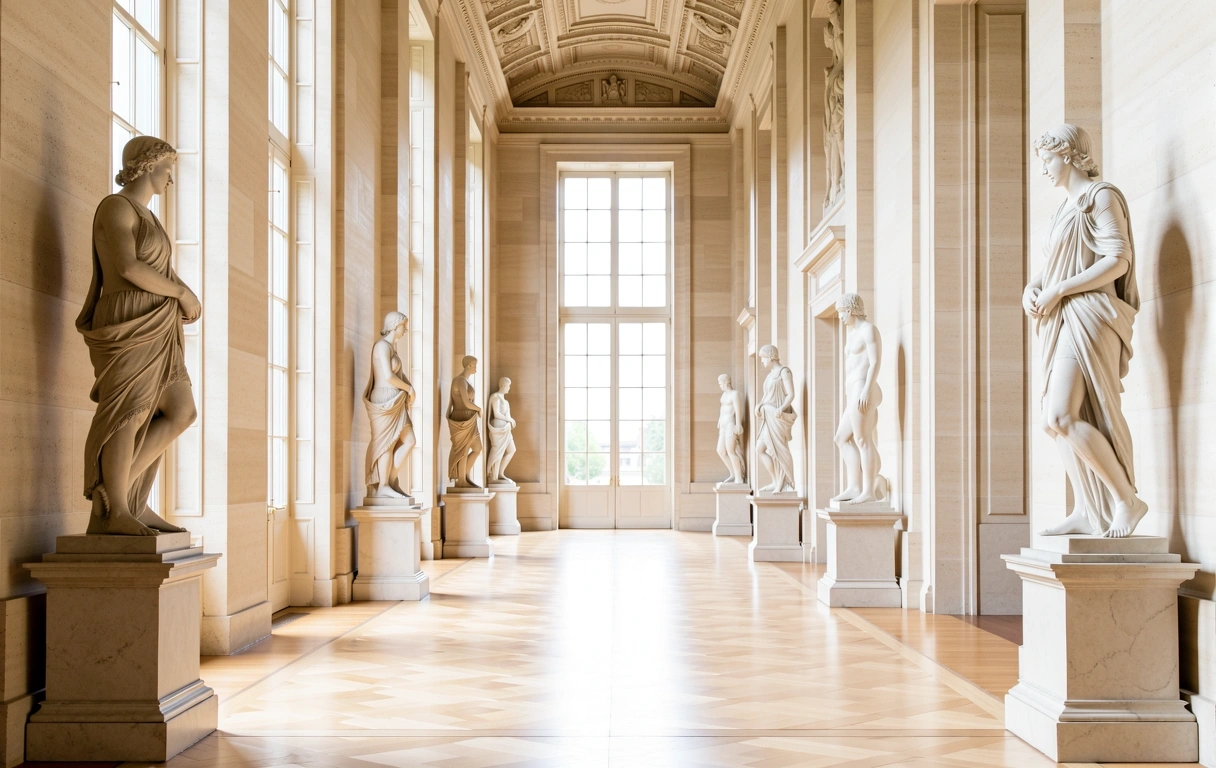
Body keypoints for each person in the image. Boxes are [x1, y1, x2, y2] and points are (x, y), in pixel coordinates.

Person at [1024, 124, 1147, 538]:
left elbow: (1117, 260)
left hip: (1091, 316)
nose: (1043, 169)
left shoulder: (1101, 197)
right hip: (1064, 317)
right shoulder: (1065, 208)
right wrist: (1035, 286)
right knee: (1050, 420)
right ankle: (1088, 508)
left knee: (1061, 413)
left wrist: (1059, 289)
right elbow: (1060, 261)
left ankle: (1128, 501)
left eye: (1046, 159)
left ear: (1069, 155)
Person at [78, 136, 199, 536]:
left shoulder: (150, 218)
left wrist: (182, 292)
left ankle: (122, 496)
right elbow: (128, 267)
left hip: (157, 323)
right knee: (131, 411)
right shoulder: (116, 207)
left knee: (181, 411)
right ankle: (117, 511)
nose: (170, 178)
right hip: (128, 317)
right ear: (148, 167)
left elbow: (159, 270)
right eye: (167, 170)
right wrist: (180, 292)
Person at [830, 293, 889, 504]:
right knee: (841, 438)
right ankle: (855, 487)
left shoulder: (869, 330)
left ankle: (868, 492)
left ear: (850, 310)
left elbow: (875, 362)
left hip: (862, 388)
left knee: (863, 439)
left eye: (841, 312)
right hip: (852, 390)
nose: (840, 317)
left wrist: (867, 389)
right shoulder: (853, 333)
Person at [364, 311, 417, 499]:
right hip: (384, 399)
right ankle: (383, 485)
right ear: (395, 325)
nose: (406, 329)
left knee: (410, 441)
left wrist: (408, 388)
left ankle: (391, 481)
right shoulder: (382, 346)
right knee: (387, 444)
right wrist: (409, 390)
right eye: (404, 325)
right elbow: (387, 375)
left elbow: (399, 375)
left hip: (396, 398)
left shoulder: (392, 348)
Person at [754, 345, 796, 493]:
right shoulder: (770, 375)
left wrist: (781, 408)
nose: (762, 362)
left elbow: (791, 394)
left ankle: (786, 482)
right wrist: (759, 405)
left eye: (763, 358)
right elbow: (766, 395)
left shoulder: (784, 372)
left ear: (771, 357)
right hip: (767, 416)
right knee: (760, 449)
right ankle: (775, 480)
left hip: (777, 416)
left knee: (780, 449)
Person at [447, 356, 483, 488]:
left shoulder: (466, 381)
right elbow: (466, 402)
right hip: (462, 418)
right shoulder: (460, 380)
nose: (476, 368)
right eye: (474, 365)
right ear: (469, 366)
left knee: (477, 448)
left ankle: (465, 476)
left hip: (469, 418)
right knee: (464, 449)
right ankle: (461, 480)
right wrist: (479, 409)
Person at [485, 378, 517, 484]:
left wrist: (509, 422)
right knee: (498, 451)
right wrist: (509, 420)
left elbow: (507, 416)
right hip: (498, 429)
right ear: (503, 385)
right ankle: (493, 476)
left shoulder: (506, 402)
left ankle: (500, 473)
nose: (509, 388)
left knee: (511, 450)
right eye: (508, 386)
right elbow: (497, 414)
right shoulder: (495, 397)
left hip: (506, 429)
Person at [716, 374, 746, 484]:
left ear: (725, 383)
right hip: (723, 425)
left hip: (730, 424)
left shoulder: (735, 394)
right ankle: (733, 473)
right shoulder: (724, 395)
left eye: (720, 384)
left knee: (731, 450)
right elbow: (722, 408)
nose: (720, 386)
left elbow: (738, 409)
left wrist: (738, 424)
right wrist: (719, 420)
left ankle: (739, 477)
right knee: (721, 451)